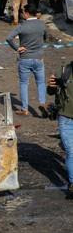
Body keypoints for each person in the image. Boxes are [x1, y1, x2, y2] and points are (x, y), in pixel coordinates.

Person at [6, 4, 47, 116]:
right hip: (39, 58)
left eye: (23, 12)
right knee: (41, 82)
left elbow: (9, 38)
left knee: (24, 83)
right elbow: (45, 37)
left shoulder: (22, 26)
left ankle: (24, 109)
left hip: (25, 58)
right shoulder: (42, 24)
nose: (22, 14)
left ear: (27, 13)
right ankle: (43, 103)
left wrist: (17, 48)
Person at [47, 62, 73, 194]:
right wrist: (51, 86)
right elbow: (50, 91)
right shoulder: (64, 70)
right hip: (66, 120)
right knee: (71, 152)